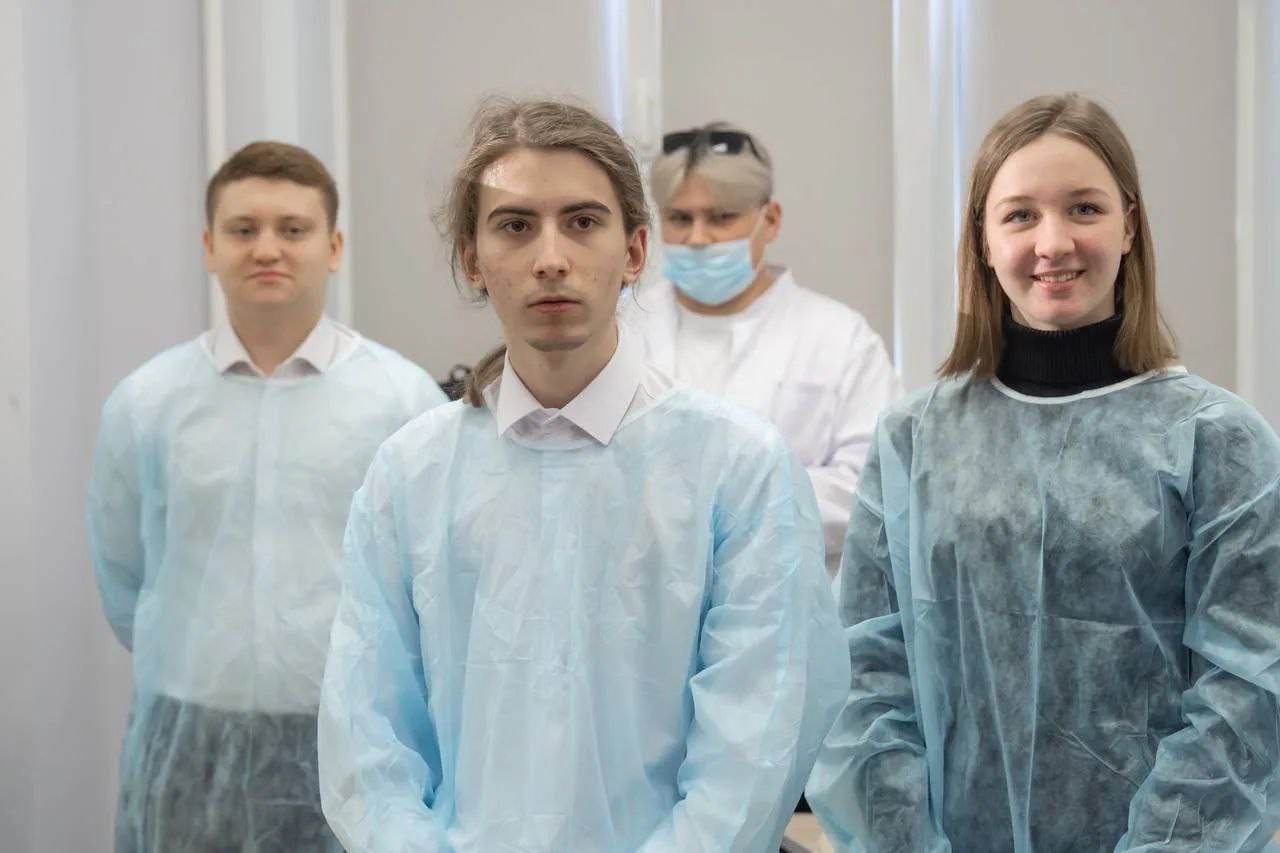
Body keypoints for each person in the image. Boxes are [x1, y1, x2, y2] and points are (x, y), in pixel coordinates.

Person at [317, 98, 850, 852]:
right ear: (472, 260)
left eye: (582, 221)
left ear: (634, 251)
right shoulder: (410, 475)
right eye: (514, 226)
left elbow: (753, 752)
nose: (550, 257)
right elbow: (369, 740)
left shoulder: (740, 468)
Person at [806, 93, 1280, 851]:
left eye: (1084, 208)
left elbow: (1249, 691)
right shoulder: (914, 440)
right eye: (1020, 215)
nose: (1053, 242)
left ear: (1130, 225)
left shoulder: (1217, 441)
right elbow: (868, 676)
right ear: (984, 240)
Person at [86, 141, 447, 852]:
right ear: (209, 247)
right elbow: (124, 577)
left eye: (293, 228)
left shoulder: (402, 402)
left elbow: (433, 581)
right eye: (243, 229)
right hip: (188, 752)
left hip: (357, 750)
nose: (267, 248)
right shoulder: (147, 402)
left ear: (334, 247)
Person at [622, 122, 901, 581]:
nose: (697, 237)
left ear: (769, 221)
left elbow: (873, 486)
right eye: (680, 218)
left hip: (790, 595)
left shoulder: (840, 338)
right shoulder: (622, 330)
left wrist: (733, 503)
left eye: (721, 217)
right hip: (644, 593)